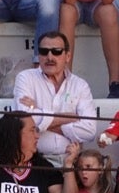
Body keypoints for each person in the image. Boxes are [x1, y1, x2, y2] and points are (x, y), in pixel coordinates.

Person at [13, 31, 98, 164]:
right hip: (35, 159)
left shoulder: (80, 85)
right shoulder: (25, 78)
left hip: (72, 159)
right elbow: (25, 119)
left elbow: (89, 131)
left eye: (56, 51)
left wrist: (39, 114)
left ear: (68, 56)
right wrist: (69, 117)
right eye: (44, 51)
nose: (50, 57)